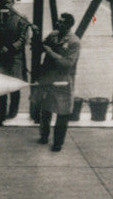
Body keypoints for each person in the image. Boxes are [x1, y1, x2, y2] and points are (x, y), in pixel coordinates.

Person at [34, 13, 80, 151]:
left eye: (61, 22)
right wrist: (37, 37)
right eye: (58, 21)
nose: (58, 24)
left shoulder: (74, 42)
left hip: (62, 80)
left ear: (68, 25)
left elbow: (67, 64)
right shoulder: (53, 35)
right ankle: (44, 136)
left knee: (62, 112)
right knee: (45, 109)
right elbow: (42, 46)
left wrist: (50, 52)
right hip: (48, 77)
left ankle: (58, 143)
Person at [0, 0, 31, 125]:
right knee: (0, 86)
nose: (7, 5)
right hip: (1, 57)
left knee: (14, 86)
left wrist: (11, 48)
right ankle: (0, 114)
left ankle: (13, 112)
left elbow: (23, 38)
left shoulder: (21, 18)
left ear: (13, 3)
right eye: (5, 3)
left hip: (15, 57)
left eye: (9, 2)